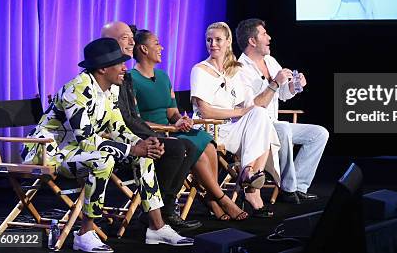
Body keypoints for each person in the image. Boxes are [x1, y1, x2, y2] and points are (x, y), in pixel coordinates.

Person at [22, 38, 193, 252]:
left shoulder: (111, 89)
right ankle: (84, 233)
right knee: (102, 159)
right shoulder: (76, 91)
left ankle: (157, 227)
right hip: (48, 152)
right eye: (120, 63)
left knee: (143, 155)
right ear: (103, 68)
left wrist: (142, 144)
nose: (124, 68)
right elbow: (86, 141)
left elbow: (118, 128)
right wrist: (132, 149)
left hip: (76, 151)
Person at [129, 27, 248, 221]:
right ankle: (220, 199)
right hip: (152, 135)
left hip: (172, 131)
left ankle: (212, 199)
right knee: (195, 151)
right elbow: (135, 119)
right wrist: (170, 128)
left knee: (207, 143)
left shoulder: (164, 77)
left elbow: (172, 112)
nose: (162, 47)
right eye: (157, 44)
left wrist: (180, 120)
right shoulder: (131, 80)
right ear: (143, 49)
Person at [100, 21, 202, 231]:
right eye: (125, 38)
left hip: (131, 135)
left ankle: (163, 210)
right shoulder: (107, 75)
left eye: (132, 37)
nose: (132, 41)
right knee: (175, 147)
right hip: (109, 143)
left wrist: (156, 136)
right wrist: (153, 137)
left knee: (188, 146)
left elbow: (130, 117)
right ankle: (157, 215)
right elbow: (121, 121)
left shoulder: (125, 76)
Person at [190, 21, 280, 217]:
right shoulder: (200, 70)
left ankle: (248, 171)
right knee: (259, 121)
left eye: (218, 40)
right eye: (209, 40)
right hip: (210, 130)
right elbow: (205, 111)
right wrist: (239, 113)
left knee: (261, 114)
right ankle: (251, 187)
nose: (213, 44)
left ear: (228, 41)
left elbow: (250, 104)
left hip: (232, 128)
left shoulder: (235, 70)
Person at [236, 18, 329, 204]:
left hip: (275, 125)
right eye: (264, 34)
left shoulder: (270, 61)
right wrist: (275, 82)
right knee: (284, 129)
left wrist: (295, 86)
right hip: (255, 129)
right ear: (252, 41)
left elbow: (283, 94)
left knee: (319, 133)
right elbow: (252, 106)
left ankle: (300, 186)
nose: (269, 37)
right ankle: (288, 189)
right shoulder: (240, 70)